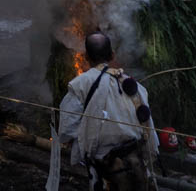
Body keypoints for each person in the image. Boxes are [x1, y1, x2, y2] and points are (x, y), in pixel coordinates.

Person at [59, 32, 158, 191]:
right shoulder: (135, 87)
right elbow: (149, 128)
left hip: (105, 170)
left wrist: (85, 144)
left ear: (86, 57)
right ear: (112, 55)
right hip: (137, 165)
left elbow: (67, 128)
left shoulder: (80, 85)